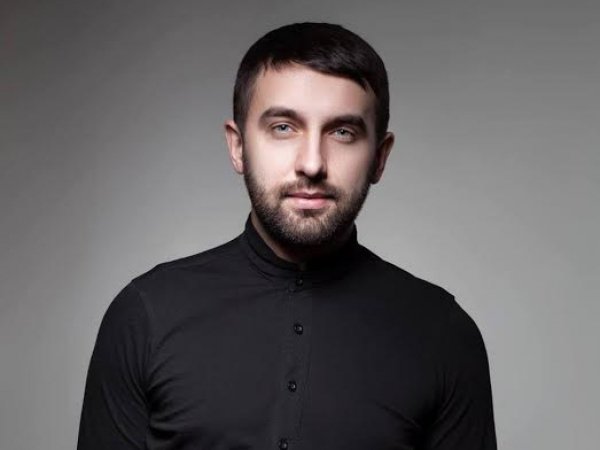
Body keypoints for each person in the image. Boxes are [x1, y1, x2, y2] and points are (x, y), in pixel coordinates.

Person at [77, 22, 497, 450]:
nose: (312, 164)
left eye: (343, 132)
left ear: (379, 157)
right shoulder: (145, 316)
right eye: (283, 127)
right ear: (238, 146)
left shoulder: (445, 336)